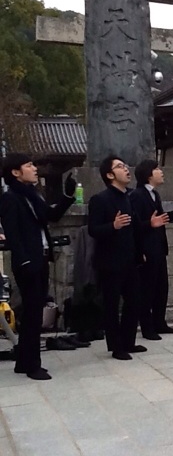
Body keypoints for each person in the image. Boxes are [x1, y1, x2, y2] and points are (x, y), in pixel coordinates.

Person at [0, 153, 76, 380]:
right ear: (16, 172)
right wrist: (24, 261)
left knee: (34, 313)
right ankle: (33, 365)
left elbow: (52, 216)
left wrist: (67, 195)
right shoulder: (10, 198)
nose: (34, 169)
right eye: (29, 165)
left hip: (41, 258)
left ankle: (23, 362)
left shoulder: (32, 195)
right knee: (33, 315)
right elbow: (13, 234)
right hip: (28, 262)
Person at [88, 156, 149, 360]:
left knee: (134, 301)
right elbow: (93, 230)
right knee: (112, 305)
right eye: (120, 167)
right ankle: (116, 347)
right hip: (109, 261)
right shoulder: (100, 199)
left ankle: (128, 341)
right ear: (109, 174)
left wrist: (140, 252)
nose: (126, 169)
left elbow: (136, 228)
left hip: (130, 259)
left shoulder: (129, 197)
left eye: (125, 165)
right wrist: (113, 226)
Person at [130, 160, 173, 339]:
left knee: (161, 288)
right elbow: (134, 225)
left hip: (159, 248)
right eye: (156, 169)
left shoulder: (154, 194)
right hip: (147, 249)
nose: (161, 171)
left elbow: (159, 219)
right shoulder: (137, 195)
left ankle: (160, 323)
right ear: (148, 174)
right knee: (147, 290)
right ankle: (147, 328)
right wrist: (139, 251)